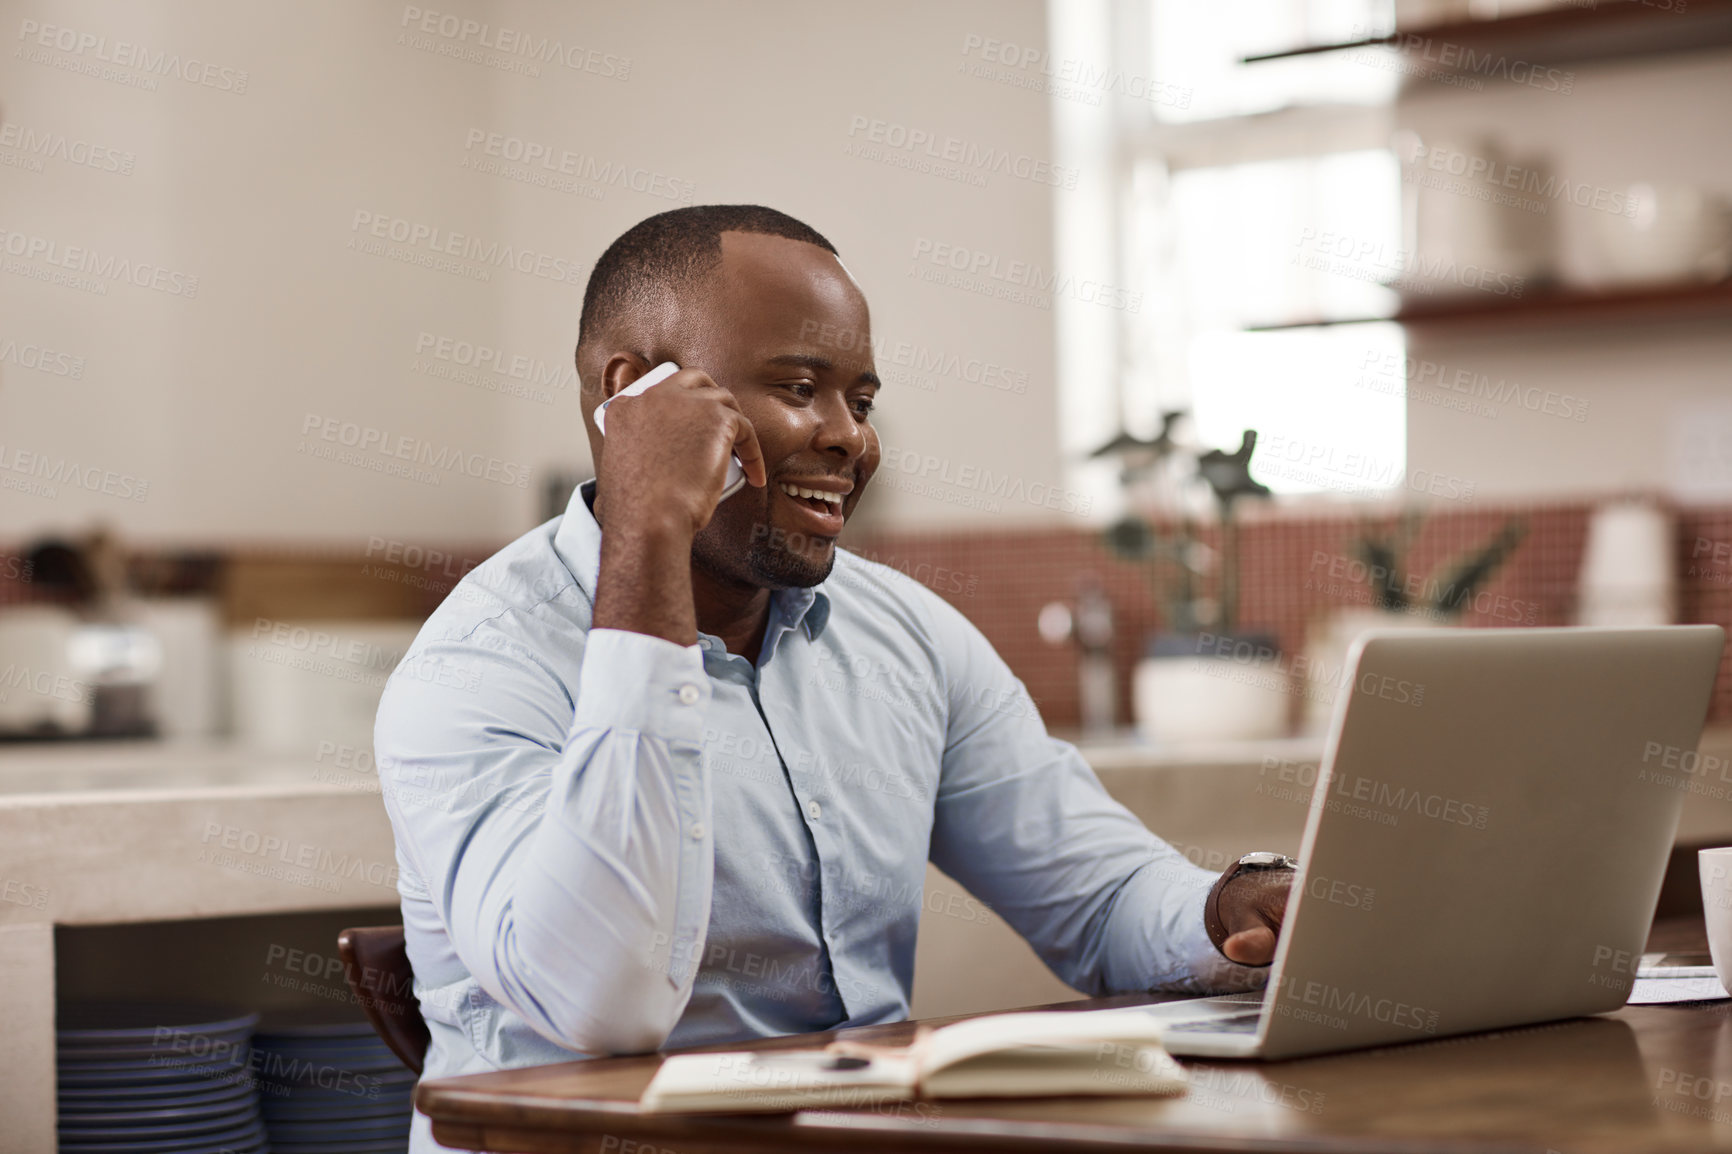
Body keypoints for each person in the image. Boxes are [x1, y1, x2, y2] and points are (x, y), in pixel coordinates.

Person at [374, 204, 1292, 1148]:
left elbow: (1097, 897)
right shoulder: (478, 664)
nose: (850, 437)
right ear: (630, 395)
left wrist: (1229, 908)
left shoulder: (906, 633)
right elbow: (601, 1004)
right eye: (799, 386)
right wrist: (647, 535)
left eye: (861, 400)